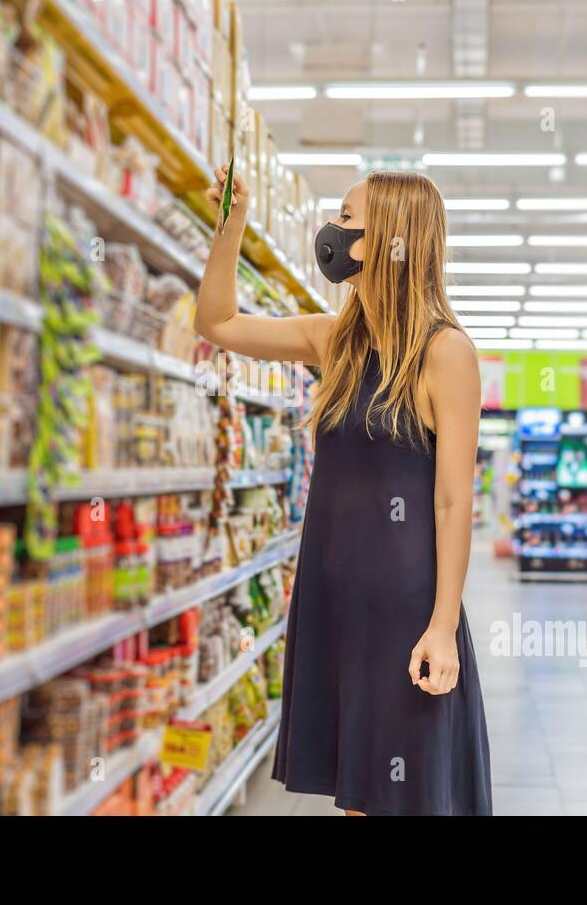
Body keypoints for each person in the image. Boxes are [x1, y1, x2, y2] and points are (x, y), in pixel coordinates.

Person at [194, 168, 492, 816]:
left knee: (407, 793)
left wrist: (443, 626)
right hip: (332, 600)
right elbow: (217, 321)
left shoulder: (448, 355)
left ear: (390, 240)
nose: (334, 231)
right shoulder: (334, 341)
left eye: (348, 218)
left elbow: (452, 503)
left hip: (404, 608)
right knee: (359, 795)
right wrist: (230, 224)